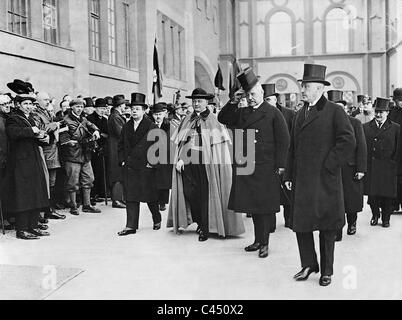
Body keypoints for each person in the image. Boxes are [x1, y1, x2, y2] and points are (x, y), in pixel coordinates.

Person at [284, 64, 355, 286]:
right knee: (301, 224)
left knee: (326, 226)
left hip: (325, 181)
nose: (302, 90)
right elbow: (292, 147)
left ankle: (326, 271)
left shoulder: (335, 111)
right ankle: (308, 264)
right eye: (302, 86)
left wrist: (329, 165)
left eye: (306, 86)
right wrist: (288, 174)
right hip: (302, 181)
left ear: (319, 89)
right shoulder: (299, 114)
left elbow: (347, 141)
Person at [219, 70, 289, 257]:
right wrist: (233, 100)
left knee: (265, 208)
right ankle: (257, 240)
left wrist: (281, 166)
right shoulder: (242, 112)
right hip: (248, 165)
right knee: (254, 207)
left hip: (267, 167)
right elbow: (222, 118)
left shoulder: (273, 113)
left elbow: (284, 141)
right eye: (248, 95)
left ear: (262, 95)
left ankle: (265, 243)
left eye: (253, 94)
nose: (250, 98)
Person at [168, 88, 245, 241]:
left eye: (200, 101)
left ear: (206, 102)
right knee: (190, 193)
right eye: (194, 101)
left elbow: (215, 146)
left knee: (205, 196)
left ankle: (205, 227)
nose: (196, 104)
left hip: (206, 165)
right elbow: (184, 143)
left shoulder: (214, 119)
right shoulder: (187, 119)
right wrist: (181, 158)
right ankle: (198, 221)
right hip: (189, 164)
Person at [4, 93, 50, 239]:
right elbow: (13, 133)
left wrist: (43, 138)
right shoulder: (13, 118)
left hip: (33, 159)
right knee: (24, 195)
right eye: (25, 104)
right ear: (18, 105)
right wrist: (32, 131)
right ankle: (22, 229)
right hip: (20, 162)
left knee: (36, 192)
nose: (29, 106)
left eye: (30, 104)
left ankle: (34, 226)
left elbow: (33, 137)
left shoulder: (29, 118)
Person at [117, 93, 162, 236]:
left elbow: (159, 147)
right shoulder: (126, 126)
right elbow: (120, 145)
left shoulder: (151, 126)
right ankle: (131, 226)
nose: (134, 111)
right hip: (130, 167)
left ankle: (157, 218)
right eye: (132, 108)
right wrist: (122, 160)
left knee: (150, 196)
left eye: (137, 108)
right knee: (131, 197)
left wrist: (151, 164)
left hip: (146, 167)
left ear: (144, 111)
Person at [327, 90, 367, 240]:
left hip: (350, 168)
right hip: (333, 168)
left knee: (351, 199)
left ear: (345, 108)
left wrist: (361, 168)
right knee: (334, 201)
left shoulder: (355, 123)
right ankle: (337, 229)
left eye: (340, 106)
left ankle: (352, 223)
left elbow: (362, 146)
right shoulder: (327, 124)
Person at [60, 98, 102, 215]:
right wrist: (70, 142)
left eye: (81, 107)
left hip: (85, 154)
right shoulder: (65, 120)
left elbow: (92, 125)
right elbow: (63, 139)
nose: (80, 109)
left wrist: (96, 131)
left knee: (88, 179)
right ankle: (73, 205)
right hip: (72, 155)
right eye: (77, 106)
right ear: (71, 107)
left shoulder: (83, 119)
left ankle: (87, 205)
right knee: (72, 182)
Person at [262, 83, 295, 228]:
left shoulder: (289, 114)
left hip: (286, 157)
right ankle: (270, 223)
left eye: (269, 99)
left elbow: (293, 136)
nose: (267, 103)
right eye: (265, 100)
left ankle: (289, 219)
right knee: (270, 192)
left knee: (287, 189)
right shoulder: (262, 114)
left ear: (276, 99)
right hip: (269, 158)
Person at [363, 97, 400, 228]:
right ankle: (375, 215)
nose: (378, 114)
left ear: (387, 113)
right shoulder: (366, 127)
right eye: (377, 111)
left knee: (387, 195)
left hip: (388, 167)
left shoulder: (396, 128)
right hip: (372, 166)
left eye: (382, 112)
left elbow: (399, 148)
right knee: (372, 195)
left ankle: (386, 218)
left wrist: (395, 164)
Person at [31, 92, 66, 220]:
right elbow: (40, 128)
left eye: (48, 99)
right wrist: (55, 125)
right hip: (45, 150)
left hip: (52, 150)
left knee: (52, 181)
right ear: (38, 101)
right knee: (46, 182)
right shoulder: (36, 113)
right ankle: (45, 211)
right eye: (45, 100)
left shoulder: (46, 112)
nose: (48, 102)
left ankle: (48, 209)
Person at [150, 103, 172, 212]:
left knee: (164, 179)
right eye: (155, 114)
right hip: (152, 155)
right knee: (154, 180)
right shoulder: (149, 125)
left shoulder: (169, 125)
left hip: (165, 155)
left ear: (164, 114)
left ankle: (163, 202)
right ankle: (155, 200)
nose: (157, 117)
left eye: (159, 114)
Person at [87, 98, 109, 203]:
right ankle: (91, 195)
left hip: (101, 149)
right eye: (100, 108)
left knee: (100, 172)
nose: (102, 110)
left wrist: (103, 138)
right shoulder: (89, 118)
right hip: (92, 149)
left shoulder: (105, 119)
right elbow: (89, 132)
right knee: (92, 173)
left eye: (104, 108)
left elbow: (107, 134)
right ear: (95, 108)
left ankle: (100, 193)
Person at [107, 95, 127, 209]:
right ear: (120, 105)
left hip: (116, 147)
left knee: (119, 172)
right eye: (124, 104)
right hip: (115, 148)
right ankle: (117, 200)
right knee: (117, 173)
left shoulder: (116, 116)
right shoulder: (115, 117)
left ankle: (119, 198)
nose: (125, 106)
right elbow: (121, 133)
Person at [388, 88, 402, 213]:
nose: (401, 102)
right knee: (395, 178)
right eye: (399, 100)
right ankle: (394, 204)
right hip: (395, 149)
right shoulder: (392, 112)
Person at [0, 94, 12, 230]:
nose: (7, 106)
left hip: (8, 159)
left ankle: (7, 216)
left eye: (8, 103)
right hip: (1, 158)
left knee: (6, 189)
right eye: (4, 104)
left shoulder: (8, 118)